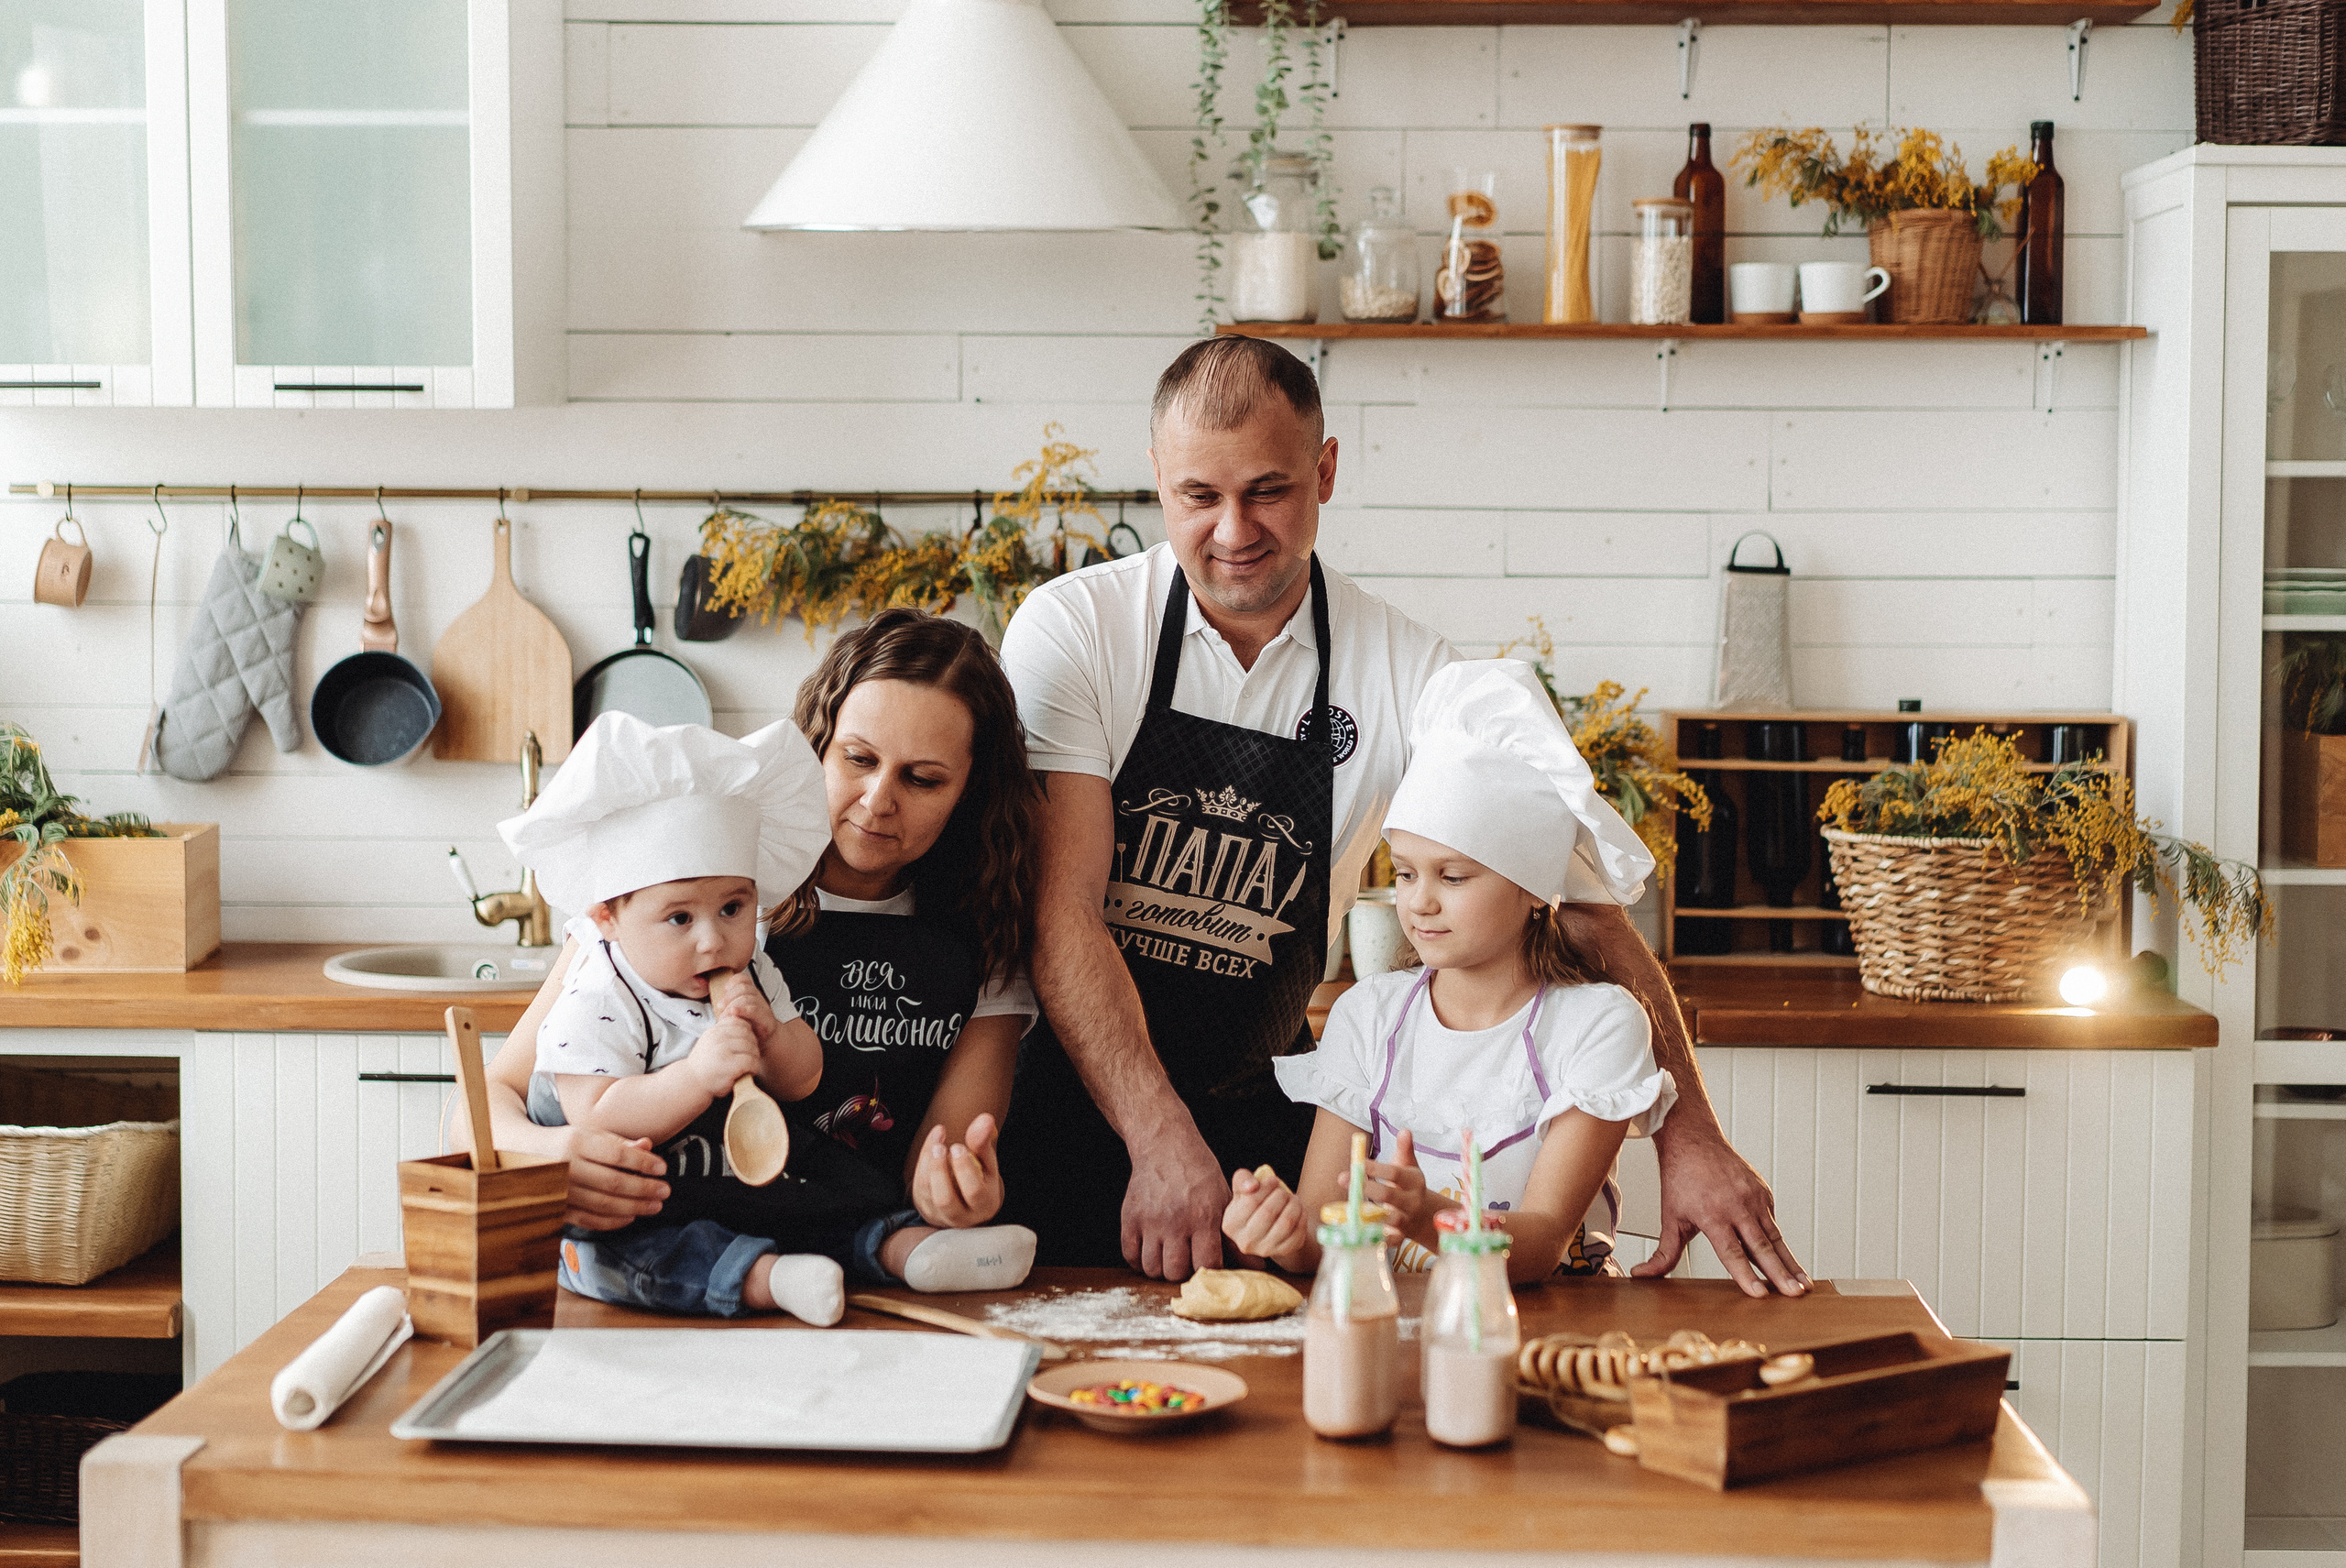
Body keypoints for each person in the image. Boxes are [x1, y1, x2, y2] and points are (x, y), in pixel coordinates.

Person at [996, 334, 1808, 1295]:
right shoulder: (1077, 629)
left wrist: (1690, 1136)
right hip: (1071, 1106)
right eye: (1197, 497)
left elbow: (1581, 909)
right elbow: (1061, 911)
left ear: (1326, 469)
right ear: (1156, 479)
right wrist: (1157, 1133)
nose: (1231, 529)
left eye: (1267, 489)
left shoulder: (1411, 671)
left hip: (1262, 1114)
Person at [481, 611, 1047, 1288]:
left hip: (855, 1276)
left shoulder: (981, 943)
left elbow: (940, 1160)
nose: (878, 800)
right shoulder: (688, 892)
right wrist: (554, 1153)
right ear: (820, 745)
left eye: (923, 778)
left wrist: (954, 1192)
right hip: (679, 1239)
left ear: (971, 791)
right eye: (859, 759)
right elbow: (483, 1101)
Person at [1222, 659, 1674, 1283]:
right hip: (1391, 1332)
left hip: (1550, 1338)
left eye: (1453, 876)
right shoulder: (1369, 1015)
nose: (1419, 901)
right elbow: (1324, 1244)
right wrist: (1283, 1234)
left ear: (1535, 889)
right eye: (1405, 872)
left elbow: (1541, 1245)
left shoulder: (1597, 1022)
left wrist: (1424, 1212)